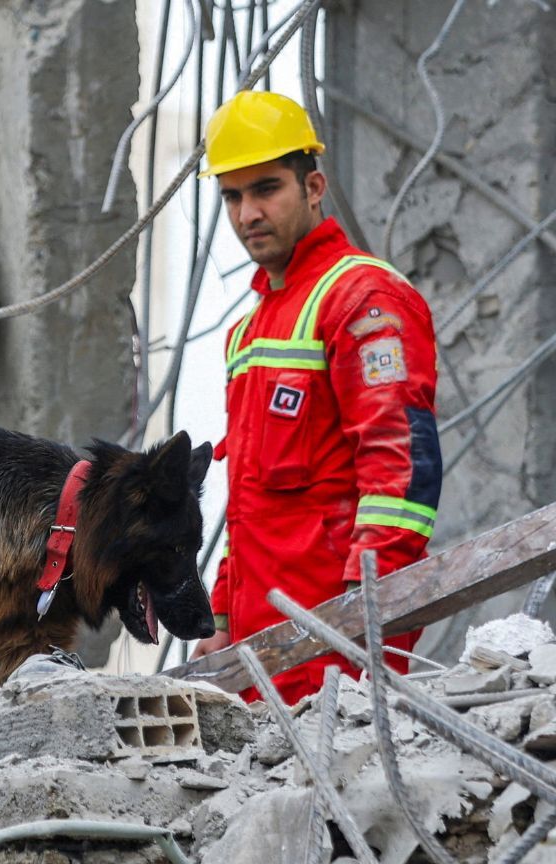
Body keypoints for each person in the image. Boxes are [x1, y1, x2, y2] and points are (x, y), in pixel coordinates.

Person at [188, 90, 442, 704]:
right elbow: (249, 502)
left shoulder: (362, 299)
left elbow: (400, 473)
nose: (248, 212)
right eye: (231, 195)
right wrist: (221, 618)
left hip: (337, 650)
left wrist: (366, 615)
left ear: (313, 186)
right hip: (259, 652)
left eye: (266, 188)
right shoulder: (248, 333)